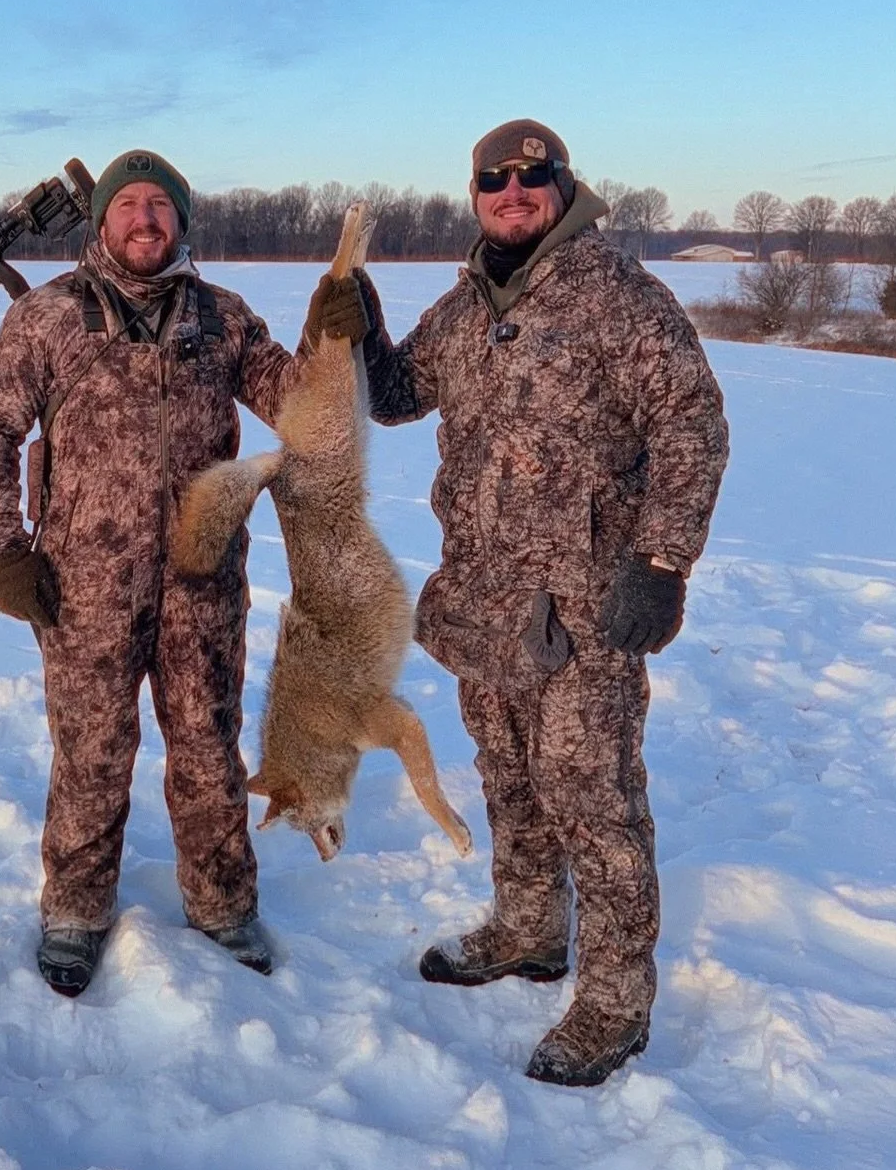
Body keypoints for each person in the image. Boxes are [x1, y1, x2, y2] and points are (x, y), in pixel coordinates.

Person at [306, 119, 729, 1085]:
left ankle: (617, 1002)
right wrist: (360, 327)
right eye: (494, 180)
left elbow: (693, 424)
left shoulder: (621, 298)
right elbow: (402, 392)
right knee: (509, 778)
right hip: (486, 602)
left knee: (596, 803)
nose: (513, 192)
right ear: (477, 197)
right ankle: (531, 928)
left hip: (585, 611)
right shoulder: (466, 307)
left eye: (531, 177)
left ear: (562, 186)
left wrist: (662, 562)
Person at [0, 150, 306, 997]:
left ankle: (223, 905)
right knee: (90, 751)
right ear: (103, 221)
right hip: (83, 586)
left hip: (204, 580)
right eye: (130, 204)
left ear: (182, 221)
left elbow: (302, 407)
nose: (146, 218)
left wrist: (340, 333)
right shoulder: (47, 320)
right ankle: (75, 912)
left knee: (207, 746)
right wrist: (6, 549)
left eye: (162, 204)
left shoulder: (224, 320)